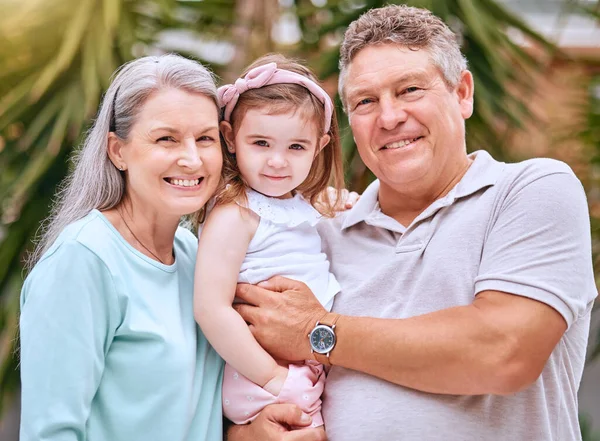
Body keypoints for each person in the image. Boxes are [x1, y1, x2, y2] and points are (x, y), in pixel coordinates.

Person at [232, 5, 598, 441]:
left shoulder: (530, 190)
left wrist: (317, 332)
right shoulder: (317, 230)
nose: (389, 118)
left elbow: (504, 353)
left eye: (409, 90)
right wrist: (248, 434)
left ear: (463, 93)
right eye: (365, 102)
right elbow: (243, 355)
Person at [19, 54, 324, 441]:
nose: (192, 159)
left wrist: (246, 436)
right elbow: (50, 432)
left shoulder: (194, 253)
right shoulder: (84, 261)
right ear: (118, 151)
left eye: (205, 139)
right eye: (167, 138)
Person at [194, 54, 343, 433]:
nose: (278, 162)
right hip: (265, 373)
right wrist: (274, 378)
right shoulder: (235, 214)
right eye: (261, 143)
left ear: (320, 145)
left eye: (296, 147)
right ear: (230, 137)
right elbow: (210, 308)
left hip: (302, 363)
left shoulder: (296, 203)